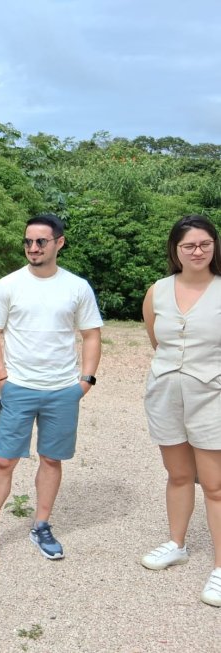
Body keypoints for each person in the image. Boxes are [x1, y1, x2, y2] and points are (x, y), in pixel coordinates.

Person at [0, 213, 102, 570]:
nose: (33, 247)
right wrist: (2, 378)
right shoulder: (8, 284)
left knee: (51, 459)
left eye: (41, 241)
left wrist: (85, 382)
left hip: (62, 389)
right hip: (19, 388)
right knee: (3, 460)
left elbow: (91, 334)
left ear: (59, 242)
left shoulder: (77, 287)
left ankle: (41, 525)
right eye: (28, 241)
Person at [140, 214, 221, 607]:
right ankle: (177, 543)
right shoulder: (157, 290)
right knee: (178, 474)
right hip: (166, 393)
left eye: (205, 244)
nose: (198, 251)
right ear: (175, 250)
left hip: (214, 396)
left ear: (214, 247)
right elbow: (157, 341)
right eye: (189, 245)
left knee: (215, 484)